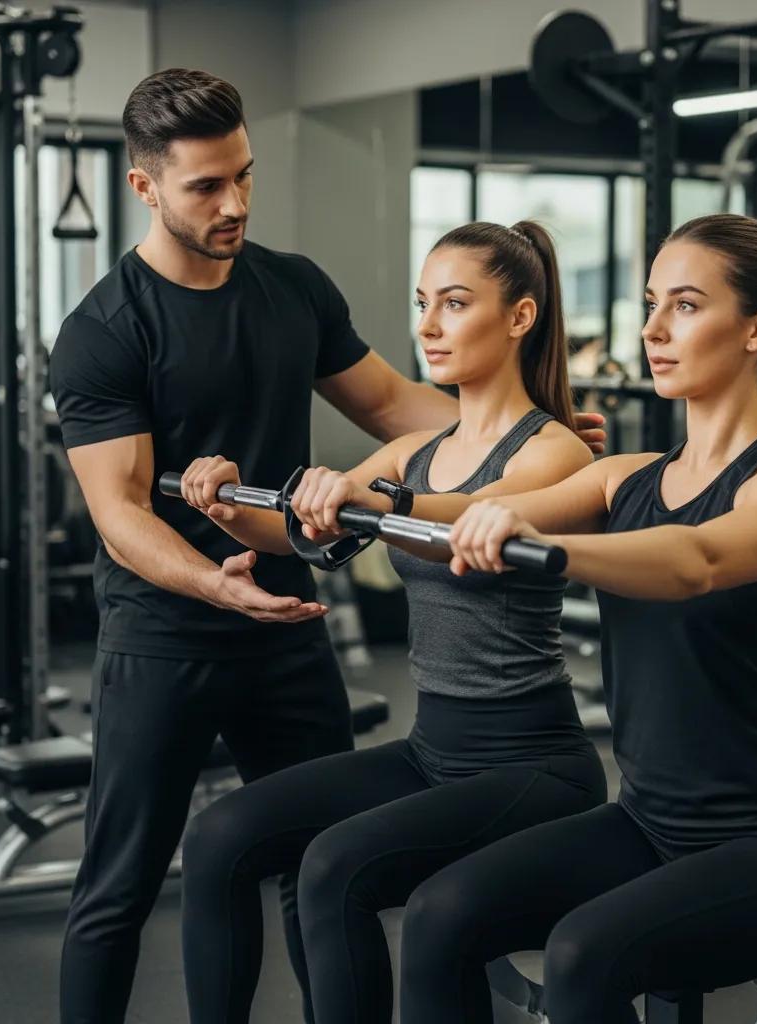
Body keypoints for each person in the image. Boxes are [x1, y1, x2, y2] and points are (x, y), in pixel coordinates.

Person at [47, 68, 606, 1024]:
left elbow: (397, 407)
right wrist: (215, 587)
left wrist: (523, 440)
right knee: (119, 887)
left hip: (288, 626)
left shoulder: (291, 287)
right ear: (145, 187)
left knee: (325, 867)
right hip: (164, 633)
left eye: (244, 177)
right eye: (206, 187)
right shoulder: (104, 331)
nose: (235, 203)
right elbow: (122, 511)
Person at [392, 213, 757, 1024]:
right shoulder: (622, 477)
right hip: (648, 821)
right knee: (439, 914)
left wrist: (545, 541)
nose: (651, 329)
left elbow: (694, 562)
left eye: (684, 305)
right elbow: (459, 510)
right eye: (651, 303)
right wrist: (333, 505)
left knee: (583, 952)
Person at [178, 220, 607, 1024]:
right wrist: (226, 497)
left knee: (335, 865)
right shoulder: (412, 449)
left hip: (531, 762)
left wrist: (366, 500)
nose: (428, 326)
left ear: (520, 316)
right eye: (423, 304)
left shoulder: (555, 454)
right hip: (431, 749)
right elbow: (294, 535)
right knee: (218, 838)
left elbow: (478, 515)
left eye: (454, 303)